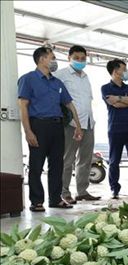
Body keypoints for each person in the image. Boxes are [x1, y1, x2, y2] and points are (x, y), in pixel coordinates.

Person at [18, 46, 83, 212]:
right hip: (38, 125)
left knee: (57, 164)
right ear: (42, 59)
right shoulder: (28, 79)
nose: (54, 61)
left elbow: (69, 104)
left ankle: (55, 199)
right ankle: (37, 201)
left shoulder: (57, 82)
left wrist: (78, 126)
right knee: (36, 164)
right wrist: (28, 131)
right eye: (52, 57)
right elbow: (23, 106)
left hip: (57, 126)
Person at [54, 45, 100, 204]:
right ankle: (64, 192)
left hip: (88, 122)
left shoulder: (85, 76)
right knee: (68, 159)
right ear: (69, 58)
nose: (80, 61)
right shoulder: (60, 75)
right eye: (77, 58)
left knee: (86, 159)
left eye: (83, 58)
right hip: (72, 123)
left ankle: (82, 191)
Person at [101, 59, 128, 199]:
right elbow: (115, 105)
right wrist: (126, 100)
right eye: (123, 69)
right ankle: (114, 188)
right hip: (116, 128)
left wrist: (119, 99)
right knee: (114, 160)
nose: (126, 72)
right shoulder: (105, 88)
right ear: (115, 71)